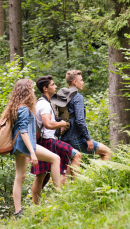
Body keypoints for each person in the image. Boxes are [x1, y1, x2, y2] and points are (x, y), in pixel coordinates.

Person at [0, 78, 61, 218]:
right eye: (31, 88)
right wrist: (32, 153)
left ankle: (18, 212)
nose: (34, 90)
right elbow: (23, 131)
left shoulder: (19, 106)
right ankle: (60, 195)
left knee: (19, 177)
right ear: (26, 91)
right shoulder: (23, 108)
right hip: (25, 146)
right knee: (55, 159)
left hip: (20, 147)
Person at [31, 75, 82, 204]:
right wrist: (62, 124)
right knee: (76, 155)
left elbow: (47, 125)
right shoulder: (44, 104)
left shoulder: (42, 103)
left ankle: (35, 206)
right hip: (48, 142)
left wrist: (56, 127)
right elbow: (48, 123)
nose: (56, 86)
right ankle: (73, 192)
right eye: (53, 84)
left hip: (44, 141)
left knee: (41, 175)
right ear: (45, 88)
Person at [53, 70, 111, 160]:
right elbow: (80, 120)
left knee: (70, 166)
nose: (83, 82)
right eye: (81, 80)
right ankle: (102, 174)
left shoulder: (63, 96)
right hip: (76, 138)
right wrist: (88, 139)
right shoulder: (78, 97)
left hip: (64, 138)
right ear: (75, 82)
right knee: (107, 152)